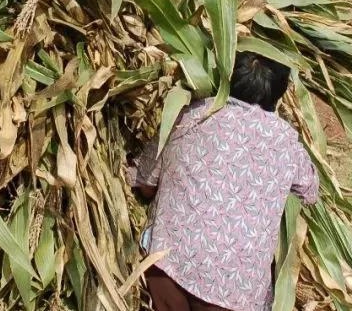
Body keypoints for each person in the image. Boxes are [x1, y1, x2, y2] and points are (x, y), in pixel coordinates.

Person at [129, 53, 319, 311]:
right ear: (279, 93)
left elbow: (145, 183)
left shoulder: (191, 115)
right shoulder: (285, 142)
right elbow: (310, 192)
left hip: (168, 273)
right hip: (236, 293)